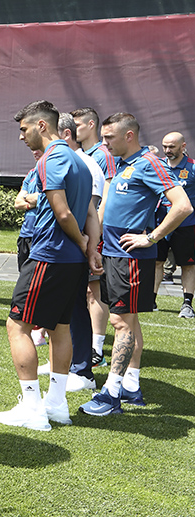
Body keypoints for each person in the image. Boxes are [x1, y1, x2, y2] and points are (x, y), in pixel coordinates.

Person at [0, 100, 101, 431]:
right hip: (71, 261)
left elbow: (63, 212)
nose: (21, 136)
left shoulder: (52, 159)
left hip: (50, 255)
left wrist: (84, 243)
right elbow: (90, 213)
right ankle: (56, 406)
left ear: (42, 126)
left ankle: (33, 409)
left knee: (17, 326)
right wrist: (90, 248)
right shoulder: (81, 163)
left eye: (24, 129)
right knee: (60, 328)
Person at [80, 113, 193, 416]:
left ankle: (112, 393)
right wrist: (95, 245)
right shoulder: (122, 164)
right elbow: (107, 208)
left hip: (131, 258)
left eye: (109, 138)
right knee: (129, 321)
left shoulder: (149, 163)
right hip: (114, 254)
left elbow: (182, 206)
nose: (105, 144)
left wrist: (151, 238)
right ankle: (131, 385)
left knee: (121, 323)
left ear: (129, 135)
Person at [35, 113, 106, 392]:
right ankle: (64, 367)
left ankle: (82, 369)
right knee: (63, 312)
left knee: (76, 308)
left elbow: (90, 211)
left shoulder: (84, 164)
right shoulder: (70, 161)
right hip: (70, 247)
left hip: (70, 249)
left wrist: (88, 246)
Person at [72, 107, 117, 367]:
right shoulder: (86, 154)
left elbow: (105, 196)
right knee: (85, 291)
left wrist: (94, 232)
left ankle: (96, 348)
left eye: (79, 124)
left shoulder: (102, 154)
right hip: (87, 231)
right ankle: (88, 343)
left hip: (97, 233)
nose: (75, 128)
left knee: (94, 290)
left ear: (91, 124)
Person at [159, 132, 195, 318]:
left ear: (183, 146)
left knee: (188, 265)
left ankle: (187, 304)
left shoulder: (193, 167)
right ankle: (151, 300)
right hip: (159, 223)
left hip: (186, 224)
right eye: (165, 146)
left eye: (172, 147)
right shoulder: (157, 166)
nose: (167, 150)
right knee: (157, 262)